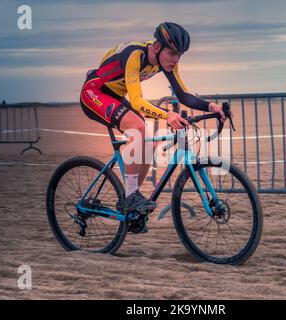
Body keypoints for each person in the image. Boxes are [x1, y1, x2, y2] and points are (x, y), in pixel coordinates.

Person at [79, 22, 226, 219]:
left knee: (151, 141)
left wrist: (211, 107)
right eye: (173, 53)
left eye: (180, 55)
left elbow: (183, 95)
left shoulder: (164, 61)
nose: (176, 59)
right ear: (157, 48)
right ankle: (130, 196)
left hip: (116, 97)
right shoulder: (135, 55)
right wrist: (167, 115)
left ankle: (131, 199)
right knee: (138, 129)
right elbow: (138, 101)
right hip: (94, 92)